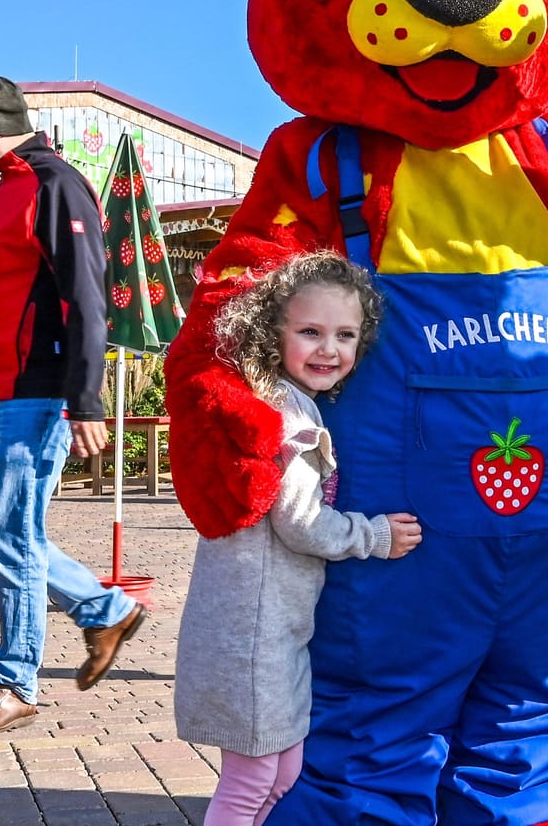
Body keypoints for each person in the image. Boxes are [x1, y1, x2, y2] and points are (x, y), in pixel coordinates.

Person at [176, 252, 423, 826]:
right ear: (272, 332)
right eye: (309, 332)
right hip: (251, 632)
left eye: (345, 334)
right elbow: (302, 522)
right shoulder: (287, 416)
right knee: (253, 779)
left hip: (269, 626)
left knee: (283, 772)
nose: (328, 349)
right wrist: (376, 535)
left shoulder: (289, 402)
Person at [0, 74, 144, 736]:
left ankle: (14, 682)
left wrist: (85, 401)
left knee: (13, 537)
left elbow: (85, 297)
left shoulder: (57, 185)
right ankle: (103, 609)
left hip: (37, 395)